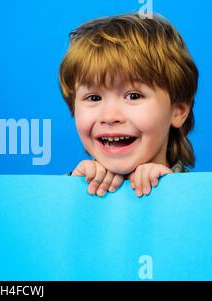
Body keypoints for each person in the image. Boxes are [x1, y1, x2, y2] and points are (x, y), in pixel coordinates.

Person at [59, 13, 198, 197]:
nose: (109, 116)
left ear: (178, 111)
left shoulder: (204, 199)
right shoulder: (57, 194)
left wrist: (174, 191)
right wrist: (70, 192)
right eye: (93, 98)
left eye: (133, 96)